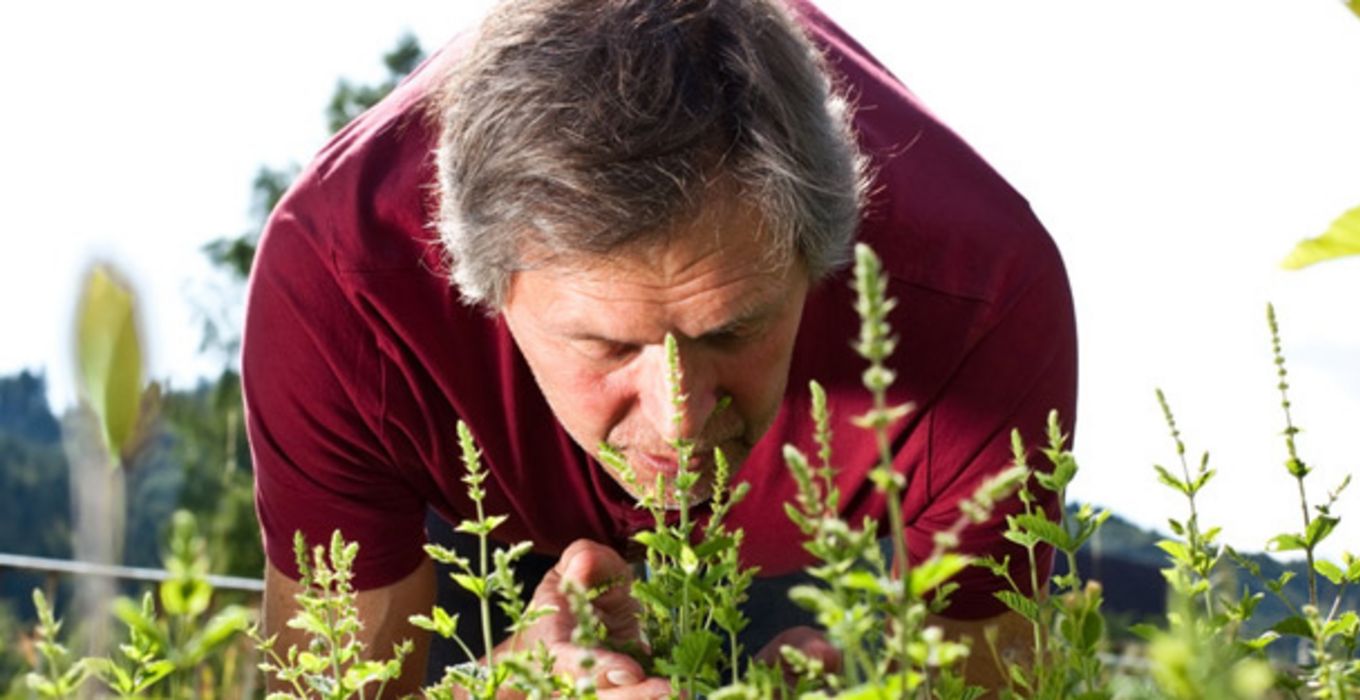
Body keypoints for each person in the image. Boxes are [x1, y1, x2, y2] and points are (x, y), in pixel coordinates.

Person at [245, 0, 1077, 696]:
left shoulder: (981, 296)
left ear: (816, 260)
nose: (680, 423)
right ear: (482, 286)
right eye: (606, 345)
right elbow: (325, 680)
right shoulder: (341, 283)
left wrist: (883, 680)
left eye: (732, 330)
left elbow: (986, 667)